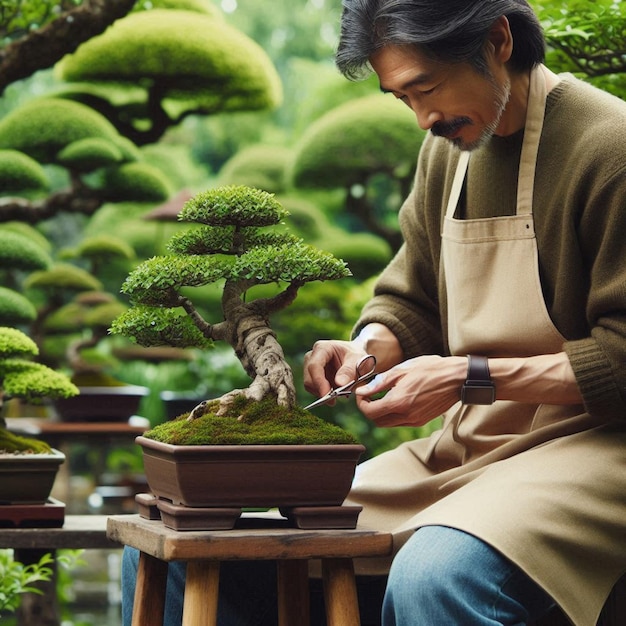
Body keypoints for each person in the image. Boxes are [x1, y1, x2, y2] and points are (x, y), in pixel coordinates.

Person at [122, 1, 626, 624]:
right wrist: (368, 347)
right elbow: (410, 299)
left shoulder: (609, 147)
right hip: (469, 452)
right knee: (185, 547)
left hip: (598, 451)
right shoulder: (450, 151)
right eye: (401, 98)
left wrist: (468, 377)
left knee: (436, 575)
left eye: (427, 88)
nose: (423, 118)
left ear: (498, 41)